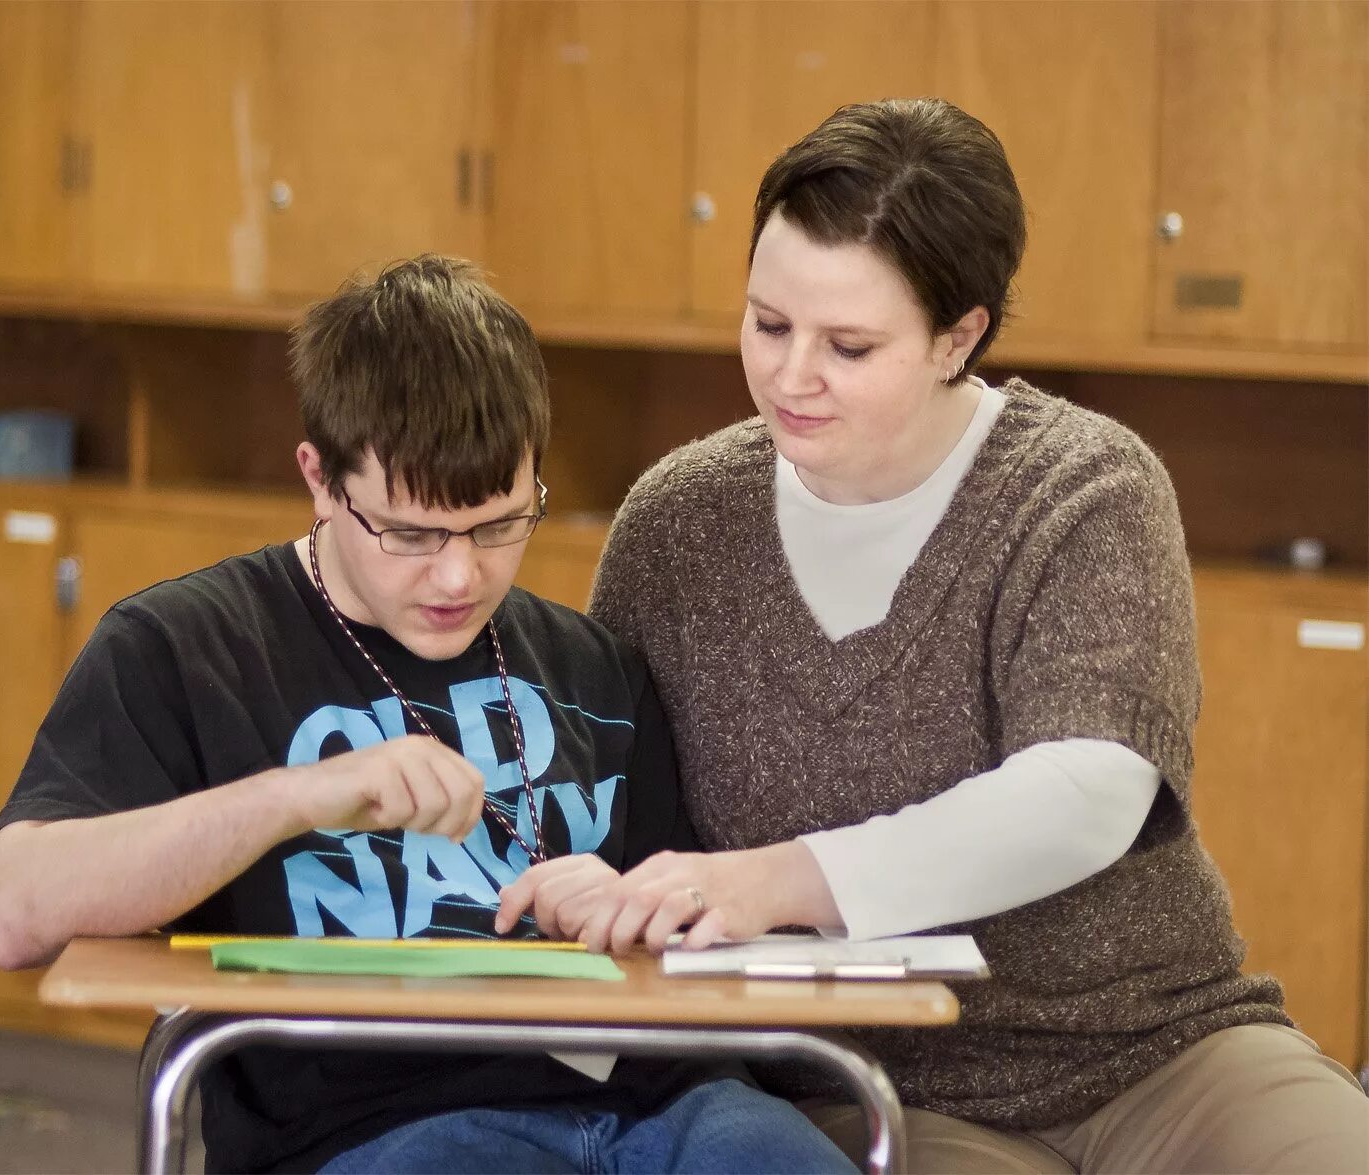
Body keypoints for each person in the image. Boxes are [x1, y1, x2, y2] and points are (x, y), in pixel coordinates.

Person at [501, 99, 1369, 1173]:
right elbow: (602, 798)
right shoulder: (679, 524)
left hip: (1162, 1049)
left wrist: (772, 879)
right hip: (871, 1084)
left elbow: (1088, 790)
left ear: (961, 336)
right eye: (768, 324)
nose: (789, 374)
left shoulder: (1083, 485)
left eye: (849, 345)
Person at [0, 256, 858, 1175]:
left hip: (666, 1100)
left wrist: (632, 909)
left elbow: (693, 945)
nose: (458, 577)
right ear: (320, 479)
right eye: (410, 533)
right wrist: (294, 796)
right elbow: (14, 914)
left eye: (499, 525)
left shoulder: (596, 666)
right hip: (383, 1126)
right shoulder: (185, 648)